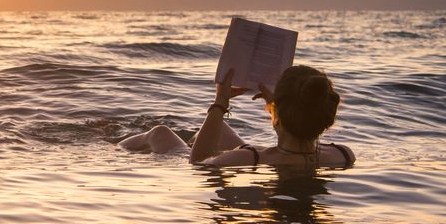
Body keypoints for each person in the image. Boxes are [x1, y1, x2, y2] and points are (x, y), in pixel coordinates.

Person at [119, 65, 355, 167]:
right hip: (277, 151)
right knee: (220, 130)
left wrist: (220, 103)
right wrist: (279, 109)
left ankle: (111, 144)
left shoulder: (248, 158)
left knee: (160, 132)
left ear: (276, 111)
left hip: (246, 157)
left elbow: (199, 163)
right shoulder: (343, 155)